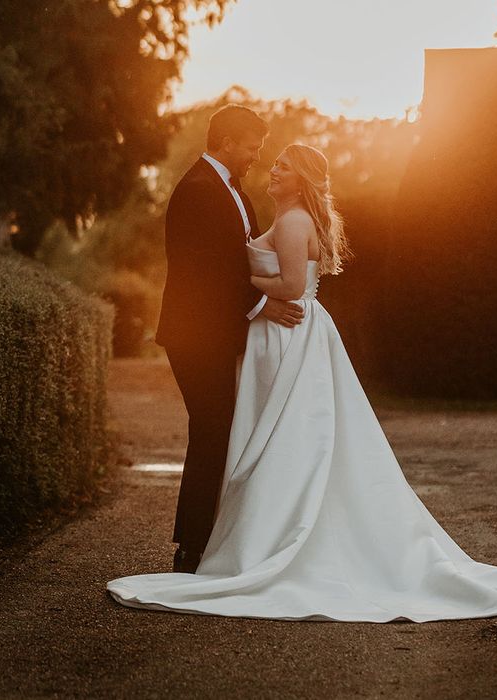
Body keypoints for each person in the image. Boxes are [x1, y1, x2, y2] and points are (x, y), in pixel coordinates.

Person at [108, 144, 497, 622]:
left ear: (302, 179)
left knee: (285, 434)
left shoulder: (293, 223)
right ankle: (263, 529)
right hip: (282, 334)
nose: (274, 171)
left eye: (284, 167)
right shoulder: (288, 217)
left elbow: (290, 288)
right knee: (280, 433)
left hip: (286, 333)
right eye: (275, 164)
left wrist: (241, 282)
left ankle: (275, 537)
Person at [153, 105, 304, 573]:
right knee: (212, 430)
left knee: (221, 430)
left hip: (220, 333)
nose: (256, 156)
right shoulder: (199, 190)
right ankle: (192, 548)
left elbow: (241, 258)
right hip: (196, 336)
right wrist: (264, 305)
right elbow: (209, 270)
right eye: (252, 147)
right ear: (227, 142)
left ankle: (211, 538)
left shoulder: (230, 190)